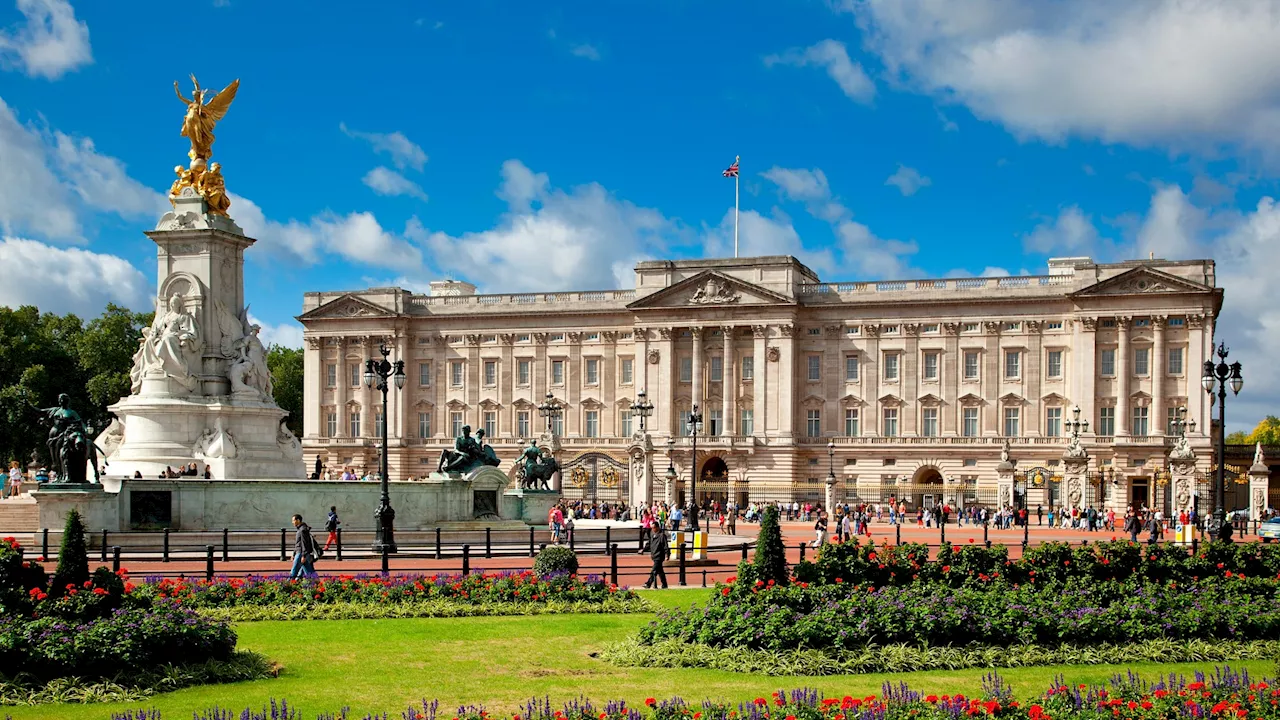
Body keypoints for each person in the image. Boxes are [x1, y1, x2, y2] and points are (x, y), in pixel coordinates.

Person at [289, 513, 318, 580]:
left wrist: (303, 555)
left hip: (301, 553)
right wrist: (294, 553)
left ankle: (288, 584)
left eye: (293, 520)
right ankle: (316, 582)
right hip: (300, 552)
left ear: (298, 520)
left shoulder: (302, 530)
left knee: (294, 570)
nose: (292, 522)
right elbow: (298, 543)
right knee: (308, 570)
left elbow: (304, 544)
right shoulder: (301, 529)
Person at [643, 521, 669, 589]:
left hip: (659, 556)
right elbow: (649, 544)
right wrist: (643, 550)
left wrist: (667, 555)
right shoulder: (652, 535)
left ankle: (648, 583)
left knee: (654, 570)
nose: (653, 529)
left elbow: (665, 546)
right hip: (654, 555)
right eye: (652, 528)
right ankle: (664, 584)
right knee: (660, 571)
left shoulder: (662, 535)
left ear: (657, 527)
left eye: (654, 528)